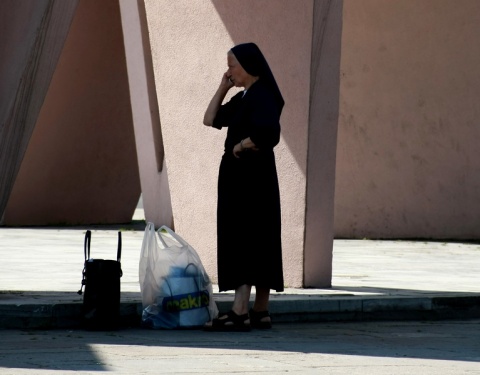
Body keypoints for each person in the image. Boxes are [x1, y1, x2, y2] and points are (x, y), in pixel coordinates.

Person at [203, 43, 285, 331]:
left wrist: (241, 144)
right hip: (246, 177)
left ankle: (240, 311)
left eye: (232, 66)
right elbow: (210, 119)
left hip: (250, 178)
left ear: (249, 66)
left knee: (244, 236)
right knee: (258, 237)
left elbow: (268, 133)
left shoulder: (262, 94)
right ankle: (260, 310)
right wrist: (223, 87)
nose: (228, 71)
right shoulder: (246, 96)